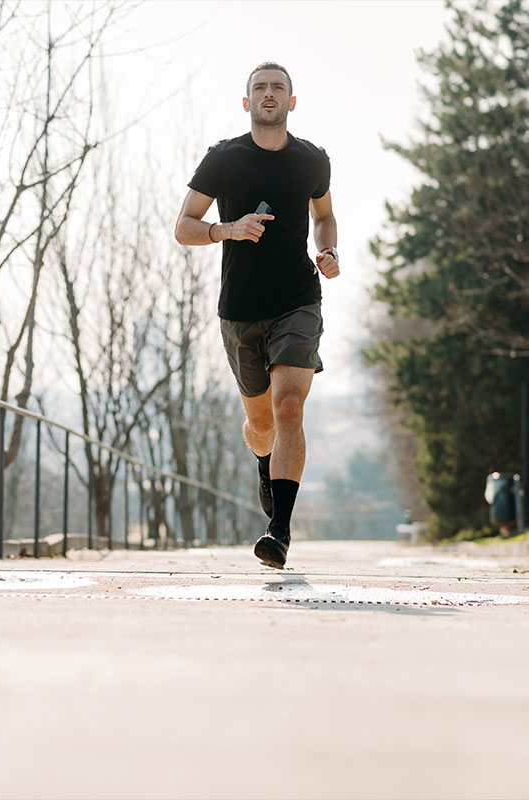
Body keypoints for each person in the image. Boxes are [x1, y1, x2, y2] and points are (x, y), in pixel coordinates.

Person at [173, 61, 339, 569]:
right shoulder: (223, 160)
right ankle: (265, 463)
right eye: (260, 88)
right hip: (241, 310)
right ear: (246, 102)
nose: (269, 94)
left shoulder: (312, 160)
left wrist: (328, 252)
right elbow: (184, 226)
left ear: (292, 102)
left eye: (278, 88)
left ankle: (279, 531)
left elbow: (325, 216)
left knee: (290, 406)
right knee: (261, 423)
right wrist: (228, 229)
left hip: (298, 300)